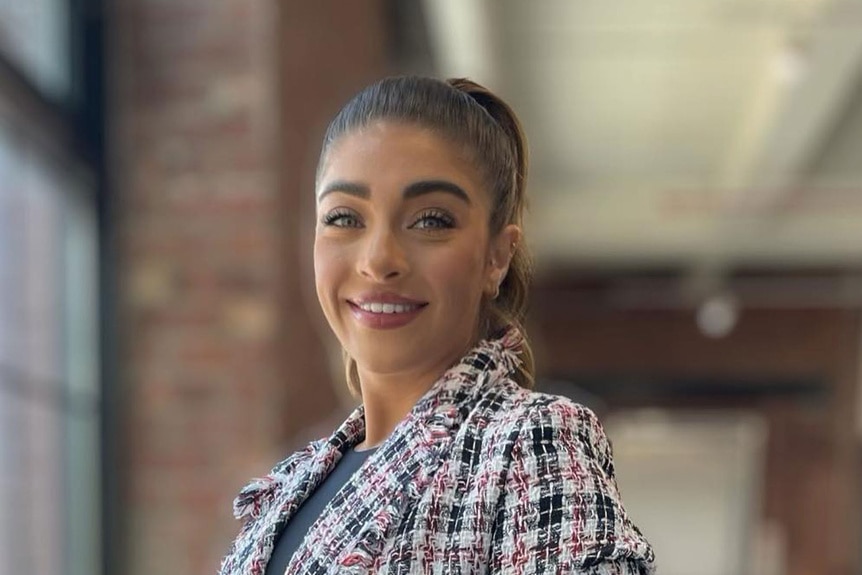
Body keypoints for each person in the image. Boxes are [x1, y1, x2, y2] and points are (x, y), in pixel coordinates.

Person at [218, 76, 655, 574]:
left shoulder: (529, 443)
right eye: (343, 217)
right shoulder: (292, 485)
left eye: (430, 221)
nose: (379, 260)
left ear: (497, 256)